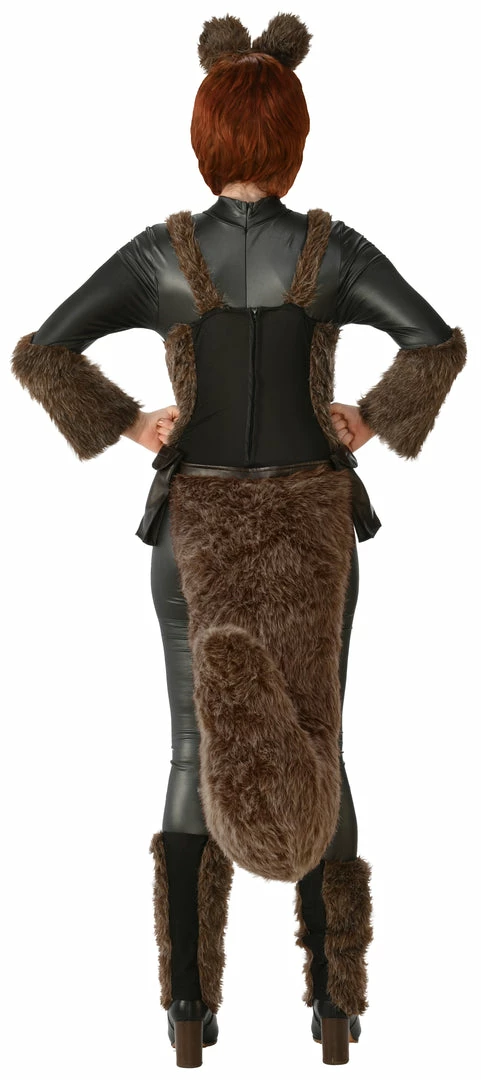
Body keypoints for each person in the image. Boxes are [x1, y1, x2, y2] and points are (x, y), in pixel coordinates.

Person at [10, 12, 467, 1069]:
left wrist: (131, 424)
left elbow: (41, 352)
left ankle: (186, 1005)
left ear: (205, 135)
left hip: (198, 531)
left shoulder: (160, 257)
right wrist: (370, 419)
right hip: (310, 529)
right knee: (321, 740)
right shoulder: (331, 252)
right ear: (294, 137)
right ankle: (336, 1007)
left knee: (191, 748)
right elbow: (437, 345)